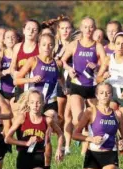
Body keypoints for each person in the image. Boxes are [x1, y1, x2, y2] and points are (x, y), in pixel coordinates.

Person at [14, 33, 65, 169]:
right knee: (27, 137)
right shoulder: (33, 60)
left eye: (50, 45)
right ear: (39, 45)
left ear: (54, 46)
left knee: (46, 136)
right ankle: (29, 166)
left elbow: (60, 77)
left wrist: (64, 87)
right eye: (44, 45)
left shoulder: (57, 64)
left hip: (48, 103)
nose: (47, 48)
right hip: (31, 103)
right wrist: (30, 80)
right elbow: (17, 79)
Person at [62, 17, 106, 156]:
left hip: (92, 87)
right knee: (77, 119)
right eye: (85, 27)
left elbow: (105, 62)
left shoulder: (97, 46)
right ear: (81, 28)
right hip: (77, 86)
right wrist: (69, 69)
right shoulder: (74, 44)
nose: (88, 30)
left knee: (94, 118)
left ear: (94, 28)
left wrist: (97, 67)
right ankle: (83, 138)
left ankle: (85, 151)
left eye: (91, 27)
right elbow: (62, 60)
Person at [53, 16, 74, 155]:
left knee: (69, 115)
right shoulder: (54, 45)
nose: (65, 31)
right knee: (60, 115)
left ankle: (67, 145)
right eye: (63, 28)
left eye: (68, 28)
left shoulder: (76, 44)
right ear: (58, 30)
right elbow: (53, 62)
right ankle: (60, 139)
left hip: (72, 81)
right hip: (58, 81)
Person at [0, 29, 18, 102]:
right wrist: (6, 71)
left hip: (17, 90)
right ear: (4, 41)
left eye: (13, 37)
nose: (10, 39)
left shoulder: (21, 55)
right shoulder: (0, 55)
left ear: (17, 39)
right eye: (8, 37)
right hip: (3, 90)